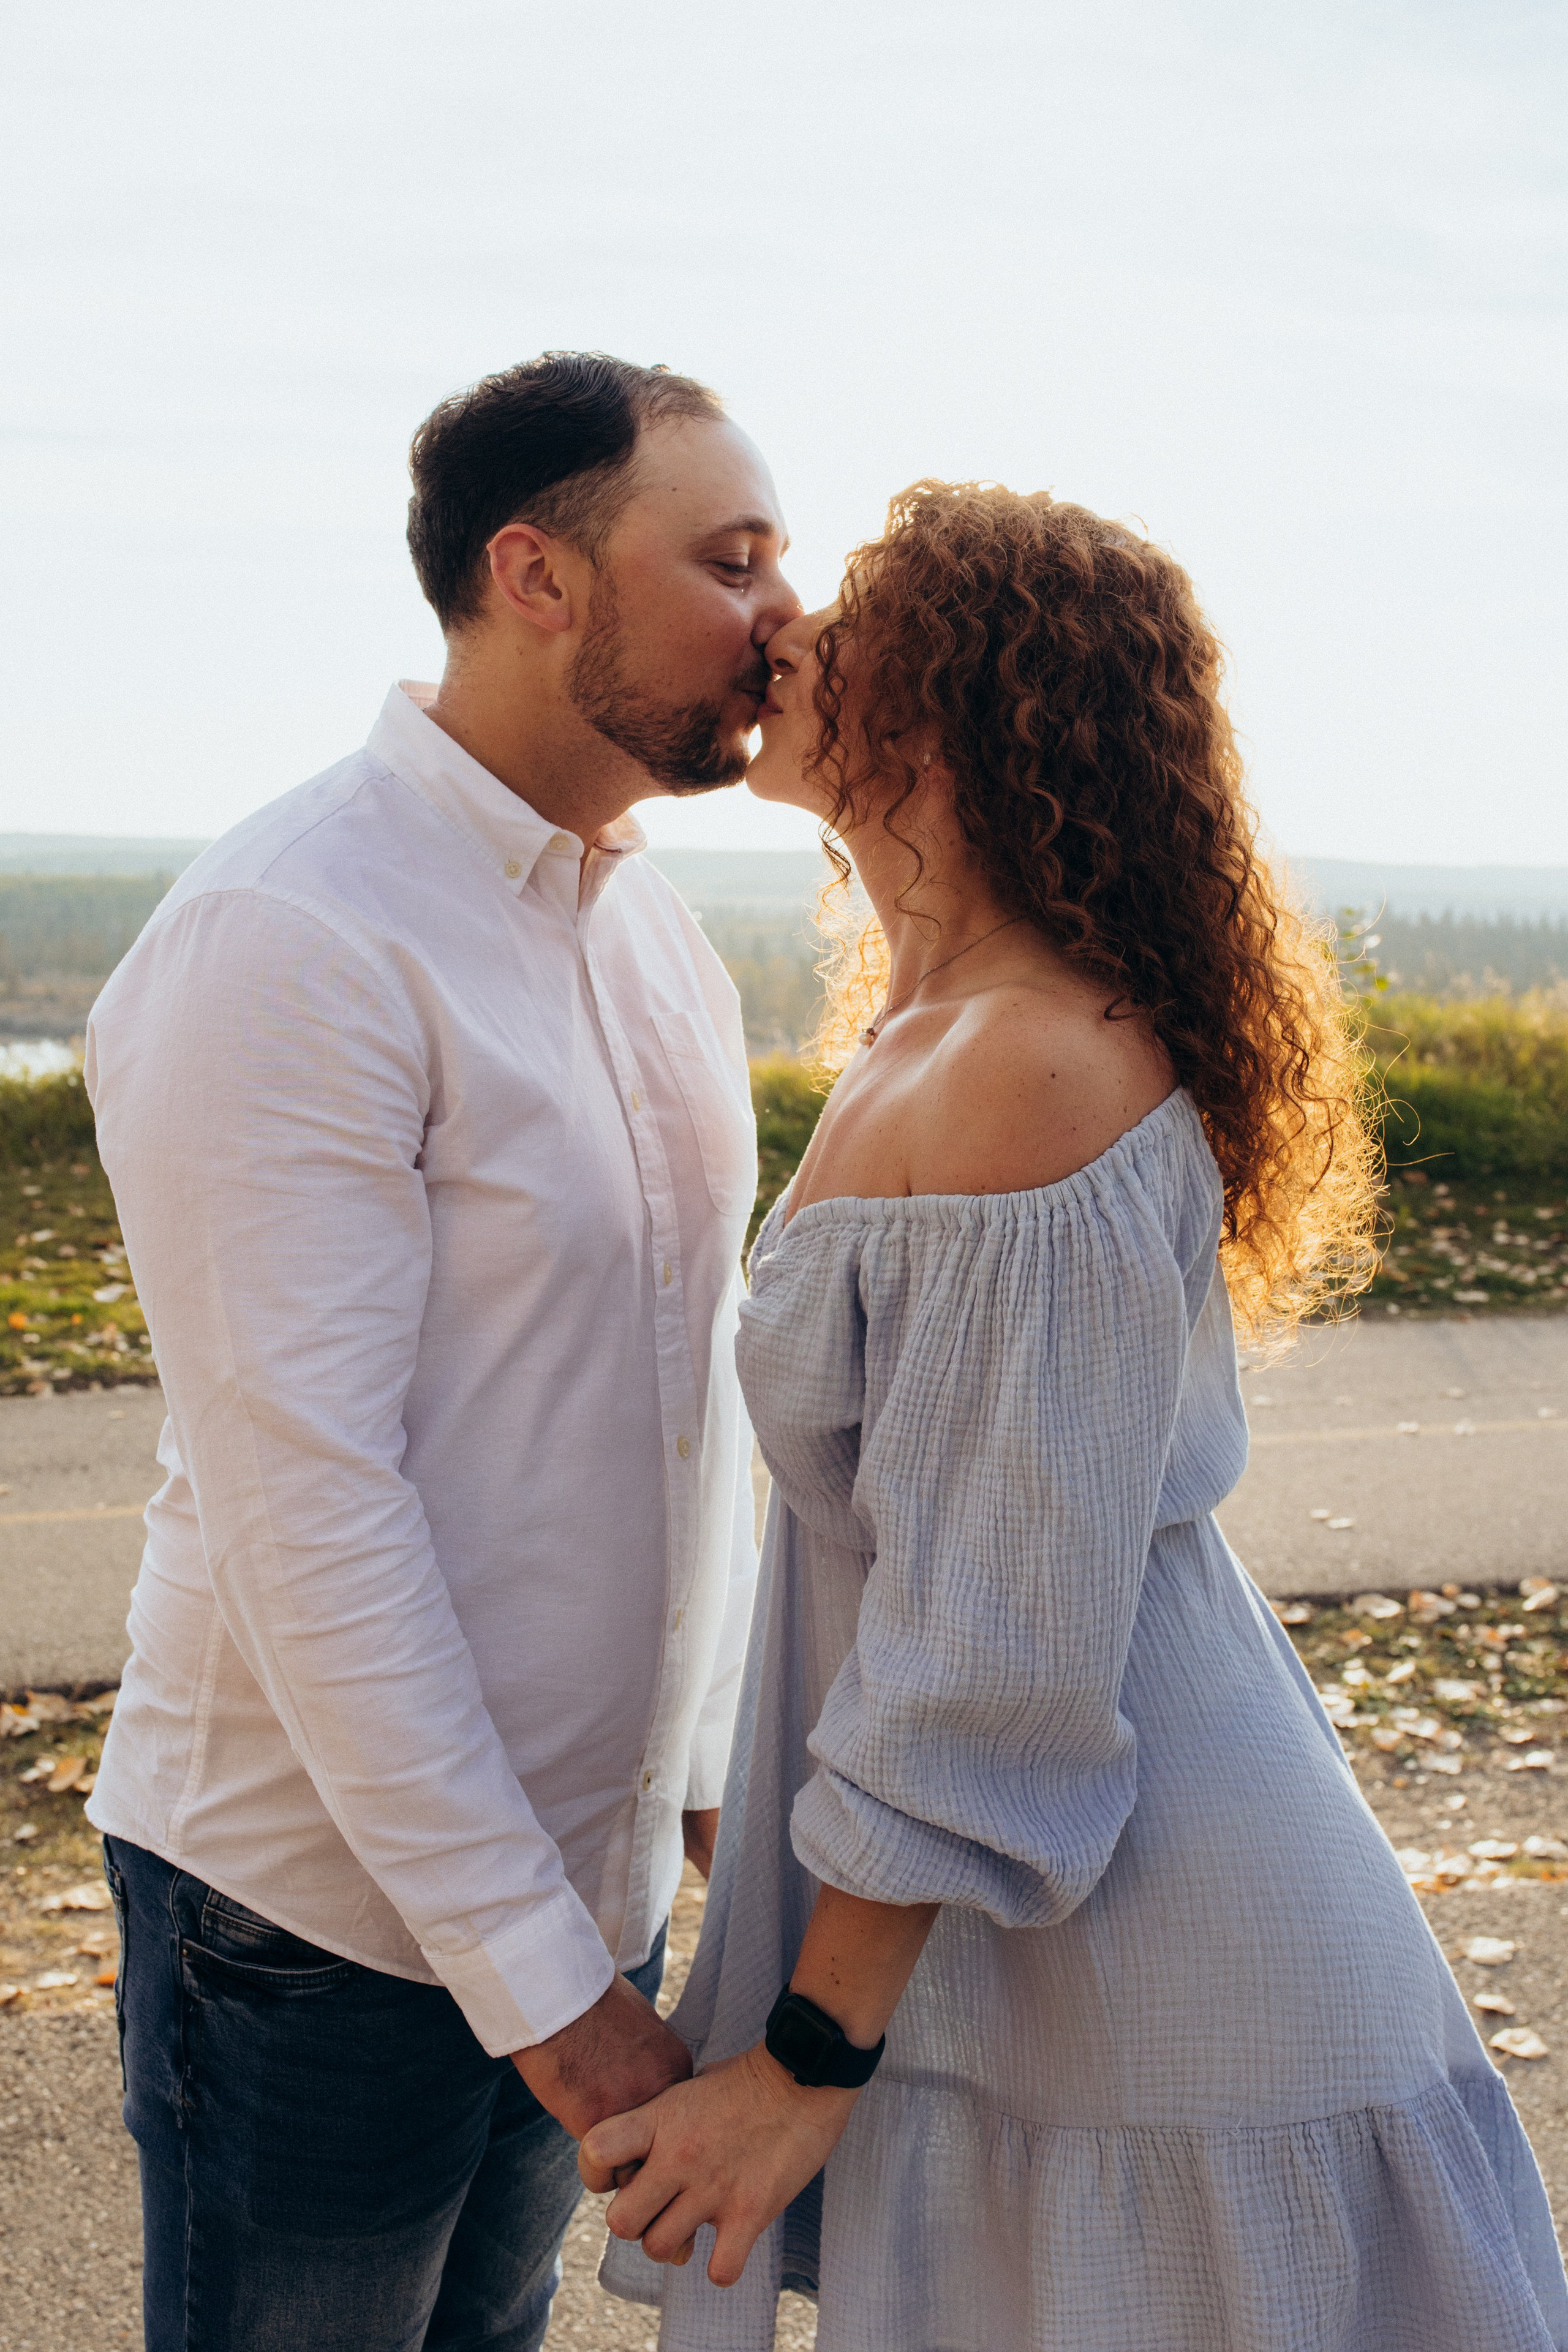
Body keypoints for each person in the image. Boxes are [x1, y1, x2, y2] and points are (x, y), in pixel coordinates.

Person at [589, 481, 1568, 2350]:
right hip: (1007, 1927)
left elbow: (992, 1645)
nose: (786, 632)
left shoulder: (1030, 1063)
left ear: (959, 702)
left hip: (1143, 1937)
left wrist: (803, 2061)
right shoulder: (935, 1032)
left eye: (848, 615)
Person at [83, 351, 802, 2352]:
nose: (785, 621)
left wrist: (708, 1803)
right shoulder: (292, 934)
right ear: (538, 577)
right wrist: (540, 1988)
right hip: (320, 1927)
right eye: (731, 562)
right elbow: (311, 1505)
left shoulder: (650, 934)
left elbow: (685, 1404)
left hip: (590, 1888)